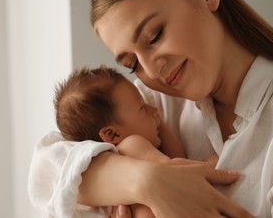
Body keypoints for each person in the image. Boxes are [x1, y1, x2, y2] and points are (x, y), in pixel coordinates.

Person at [28, 0, 273, 217]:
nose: (152, 70)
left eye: (155, 35)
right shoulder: (152, 103)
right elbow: (47, 170)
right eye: (132, 63)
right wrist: (146, 180)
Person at [53, 65, 195, 217]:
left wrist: (158, 123)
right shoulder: (132, 145)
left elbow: (177, 156)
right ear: (112, 134)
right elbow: (174, 172)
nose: (153, 110)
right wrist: (211, 166)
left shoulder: (109, 164)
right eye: (142, 107)